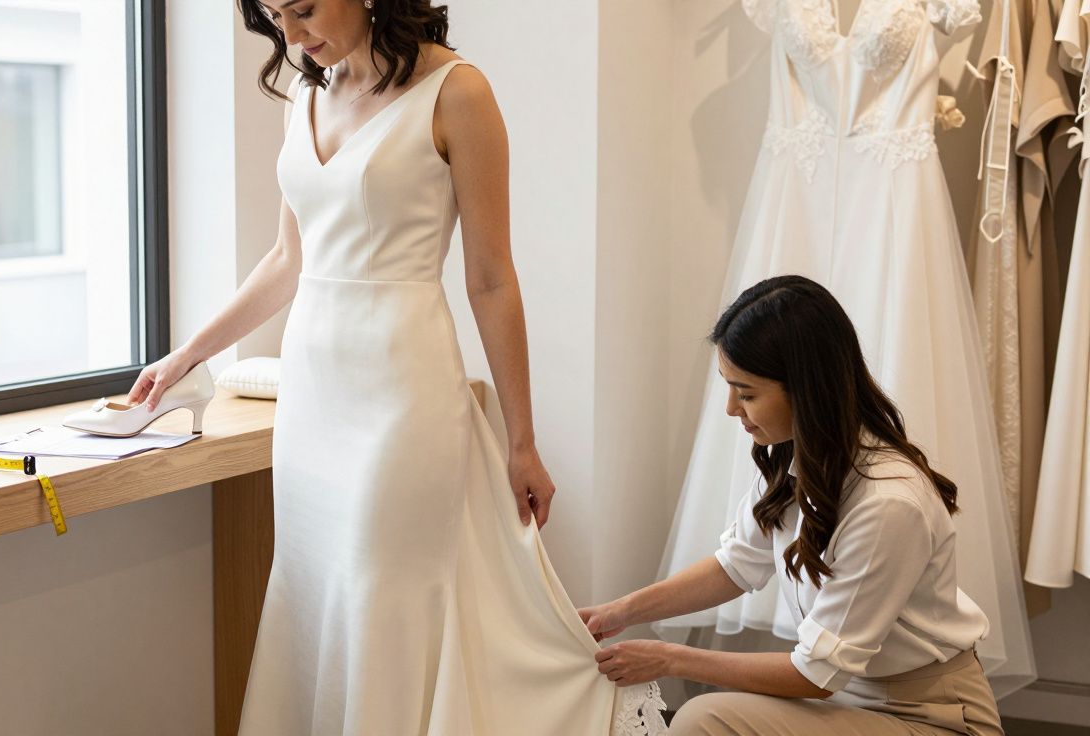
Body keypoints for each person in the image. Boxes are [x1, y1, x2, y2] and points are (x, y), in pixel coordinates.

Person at [128, 0, 663, 733]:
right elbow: (289, 261)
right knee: (318, 594)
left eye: (305, 9)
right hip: (314, 402)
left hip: (402, 398)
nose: (290, 35)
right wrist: (187, 353)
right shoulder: (305, 93)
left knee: (384, 595)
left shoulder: (459, 94)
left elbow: (491, 280)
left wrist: (521, 440)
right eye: (275, 15)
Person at [579, 275, 1003, 735]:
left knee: (703, 720)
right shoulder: (798, 459)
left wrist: (669, 659)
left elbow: (816, 675)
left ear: (806, 388)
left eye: (746, 393)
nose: (730, 409)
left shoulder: (888, 504)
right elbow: (734, 568)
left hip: (933, 717)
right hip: (851, 701)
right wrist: (616, 613)